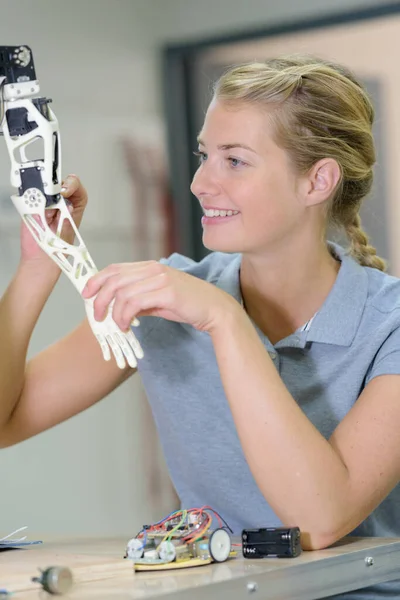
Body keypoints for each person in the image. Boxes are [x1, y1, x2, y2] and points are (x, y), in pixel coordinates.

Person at [1, 54, 400, 598]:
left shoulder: (390, 325)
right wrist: (38, 264)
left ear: (318, 180)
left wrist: (224, 319)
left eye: (234, 161)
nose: (199, 183)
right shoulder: (165, 298)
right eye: (203, 155)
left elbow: (319, 520)